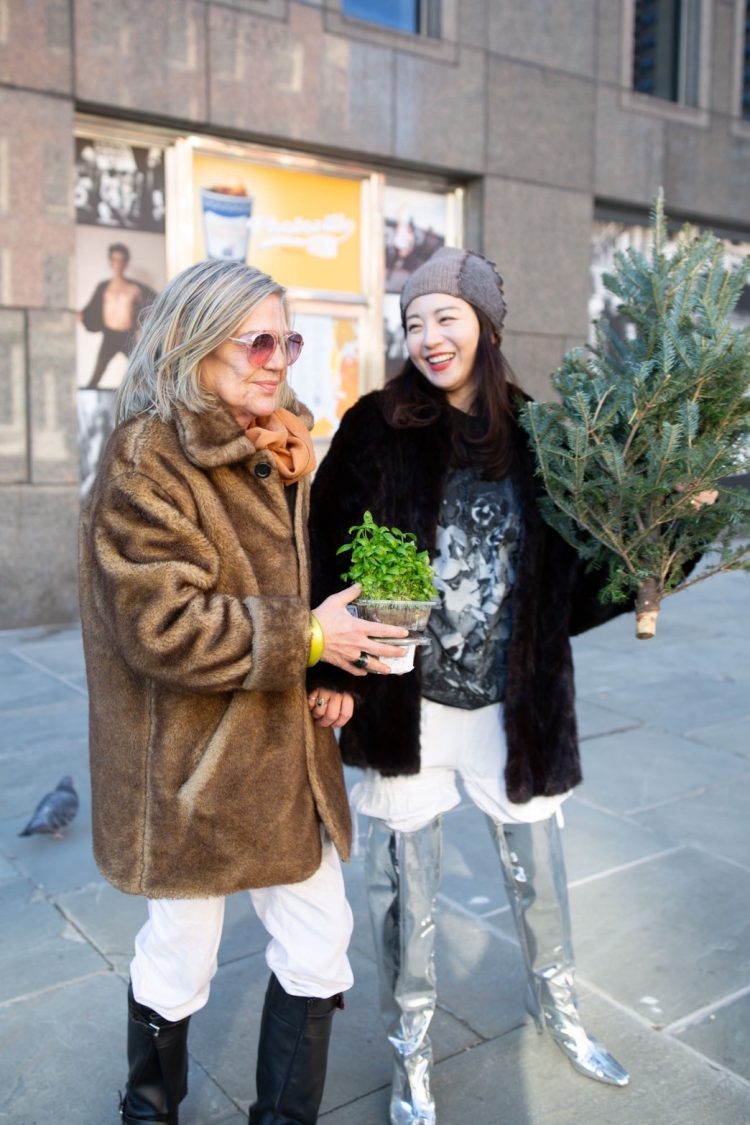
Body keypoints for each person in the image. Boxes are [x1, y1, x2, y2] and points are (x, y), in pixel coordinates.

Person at [78, 257, 408, 1125]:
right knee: (181, 953)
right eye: (256, 341)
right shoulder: (150, 455)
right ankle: (148, 1110)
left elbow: (307, 589)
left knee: (320, 941)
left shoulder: (285, 445)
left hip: (285, 755)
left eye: (286, 341)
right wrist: (307, 638)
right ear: (193, 344)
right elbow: (162, 625)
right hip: (190, 767)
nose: (277, 360)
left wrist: (330, 670)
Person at [308, 247, 632, 1125]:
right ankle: (410, 1053)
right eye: (413, 322)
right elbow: (326, 554)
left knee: (542, 875)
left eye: (445, 317)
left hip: (512, 707)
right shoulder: (375, 426)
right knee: (404, 895)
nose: (428, 337)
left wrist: (649, 560)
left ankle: (560, 1009)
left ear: (486, 325)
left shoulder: (540, 436)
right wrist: (329, 665)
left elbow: (571, 581)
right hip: (405, 703)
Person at [78, 242, 157, 389]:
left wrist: (144, 326)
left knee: (142, 369)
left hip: (128, 335)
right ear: (111, 262)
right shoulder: (104, 287)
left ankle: (151, 395)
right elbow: (92, 309)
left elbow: (152, 304)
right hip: (110, 335)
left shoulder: (135, 288)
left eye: (121, 260)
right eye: (115, 260)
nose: (118, 264)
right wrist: (83, 316)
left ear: (126, 262)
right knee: (98, 372)